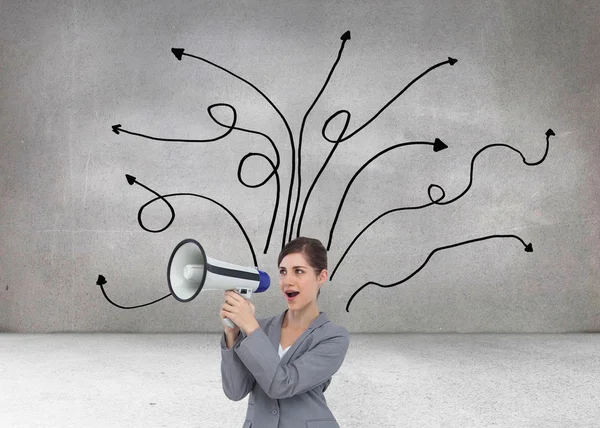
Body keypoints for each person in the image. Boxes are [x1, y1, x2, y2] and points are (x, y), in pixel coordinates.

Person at [219, 236, 350, 428]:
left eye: (299, 271)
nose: (288, 281)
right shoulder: (260, 329)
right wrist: (232, 334)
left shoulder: (334, 337)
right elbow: (235, 391)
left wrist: (250, 327)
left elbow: (283, 384)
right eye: (283, 271)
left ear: (321, 277)